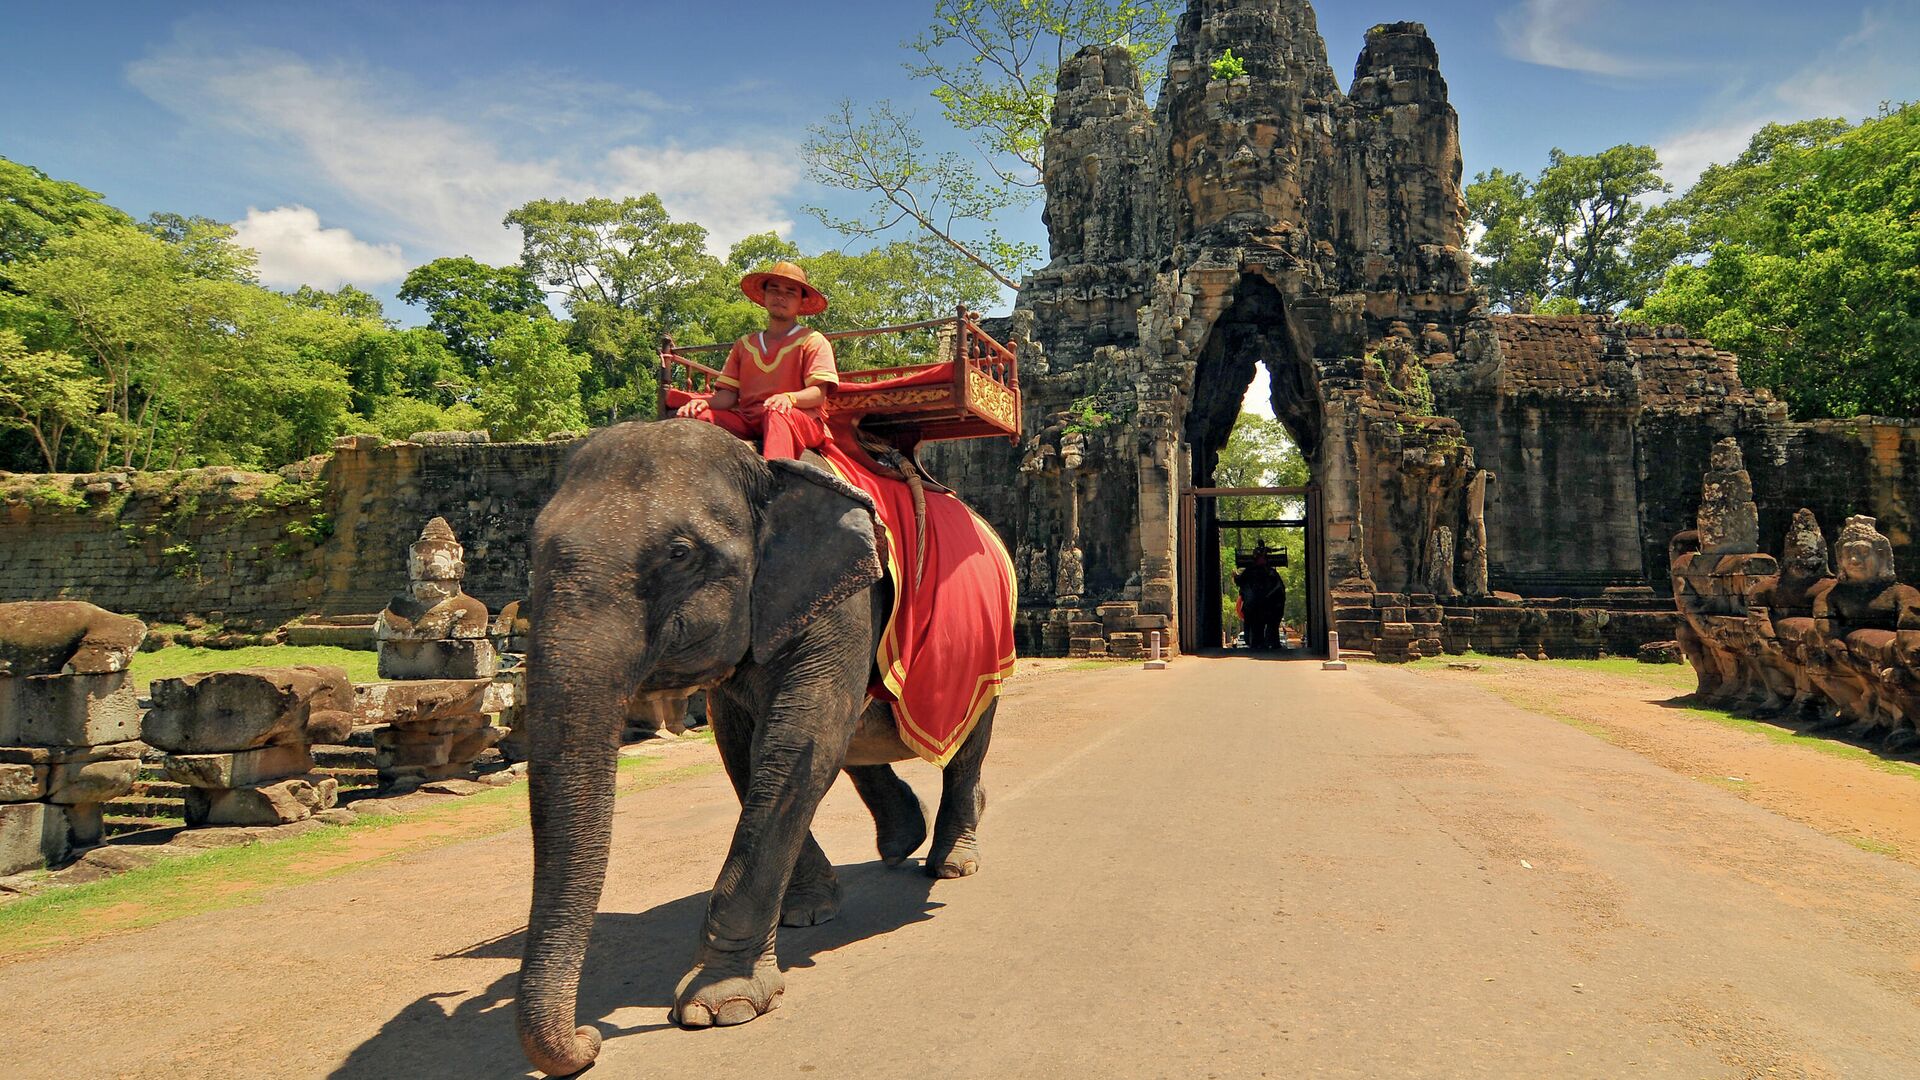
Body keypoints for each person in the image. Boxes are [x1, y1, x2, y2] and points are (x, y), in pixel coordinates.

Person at [673, 261, 839, 459]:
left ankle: (777, 480)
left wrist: (789, 398)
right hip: (749, 418)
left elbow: (818, 394)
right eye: (774, 289)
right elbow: (728, 396)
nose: (780, 296)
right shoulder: (744, 344)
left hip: (796, 418)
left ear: (801, 302)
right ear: (764, 296)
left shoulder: (813, 341)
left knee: (777, 413)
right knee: (698, 417)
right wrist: (703, 404)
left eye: (790, 292)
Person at [1234, 543, 1284, 650]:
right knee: (1258, 626)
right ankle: (1261, 641)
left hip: (1266, 603)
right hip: (1257, 605)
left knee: (1264, 625)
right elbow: (1240, 582)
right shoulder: (1251, 571)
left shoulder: (1270, 573)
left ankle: (1266, 640)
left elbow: (1240, 581)